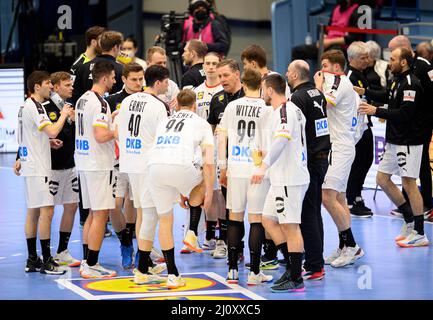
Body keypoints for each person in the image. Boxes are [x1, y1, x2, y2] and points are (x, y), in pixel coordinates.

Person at [358, 47, 429, 247]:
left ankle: (420, 232)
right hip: (394, 139)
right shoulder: (397, 80)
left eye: (393, 59)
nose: (390, 62)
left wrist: (375, 111)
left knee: (409, 183)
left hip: (409, 141)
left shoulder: (411, 84)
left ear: (404, 62)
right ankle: (409, 219)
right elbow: (387, 96)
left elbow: (405, 114)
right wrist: (364, 92)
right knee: (382, 178)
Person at [147, 89, 215, 289]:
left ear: (177, 104)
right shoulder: (201, 122)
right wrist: (208, 192)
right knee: (202, 177)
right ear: (195, 106)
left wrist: (181, 191)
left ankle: (172, 274)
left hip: (154, 169)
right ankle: (192, 231)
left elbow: (167, 152)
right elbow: (209, 162)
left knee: (165, 221)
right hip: (180, 167)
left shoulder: (164, 121)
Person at [251, 73, 309, 293]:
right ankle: (292, 266)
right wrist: (266, 155)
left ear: (269, 89)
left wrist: (263, 165)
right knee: (268, 219)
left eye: (263, 89)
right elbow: (285, 141)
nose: (261, 93)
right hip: (281, 177)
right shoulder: (283, 111)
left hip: (289, 178)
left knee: (290, 226)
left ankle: (296, 277)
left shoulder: (286, 109)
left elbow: (284, 139)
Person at [217, 68, 273, 285]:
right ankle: (254, 272)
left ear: (243, 82)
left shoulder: (231, 106)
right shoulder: (266, 108)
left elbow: (221, 138)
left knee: (235, 217)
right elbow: (269, 143)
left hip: (236, 168)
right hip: (257, 167)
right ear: (260, 84)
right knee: (256, 219)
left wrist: (223, 167)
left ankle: (232, 270)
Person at [115, 65, 170, 285]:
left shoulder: (128, 101)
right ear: (158, 82)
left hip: (130, 162)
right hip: (148, 165)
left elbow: (118, 130)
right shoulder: (159, 106)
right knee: (151, 214)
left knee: (141, 212)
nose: (168, 85)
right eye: (166, 81)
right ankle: (142, 268)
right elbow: (163, 139)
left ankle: (144, 262)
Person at [17, 71, 72, 275]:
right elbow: (52, 130)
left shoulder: (24, 105)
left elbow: (30, 135)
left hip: (29, 163)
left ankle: (32, 259)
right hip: (38, 167)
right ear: (37, 87)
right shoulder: (36, 106)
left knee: (33, 211)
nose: (51, 87)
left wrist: (47, 143)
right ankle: (47, 260)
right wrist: (64, 114)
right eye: (48, 83)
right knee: (46, 212)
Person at [314, 49, 365, 268]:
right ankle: (345, 245)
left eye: (325, 66)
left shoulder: (338, 81)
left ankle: (352, 246)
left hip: (339, 148)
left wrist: (317, 87)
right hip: (342, 145)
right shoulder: (350, 88)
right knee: (340, 199)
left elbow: (326, 102)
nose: (321, 71)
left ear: (336, 67)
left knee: (327, 196)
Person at [287, 60, 330, 281]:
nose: (286, 74)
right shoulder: (317, 93)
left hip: (311, 160)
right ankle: (316, 261)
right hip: (323, 157)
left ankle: (314, 264)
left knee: (307, 213)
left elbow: (297, 133)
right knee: (314, 211)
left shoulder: (297, 98)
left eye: (288, 71)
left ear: (294, 75)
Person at [75, 61, 117, 278]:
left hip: (84, 163)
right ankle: (91, 264)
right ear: (103, 79)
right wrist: (116, 131)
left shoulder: (83, 99)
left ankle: (87, 260)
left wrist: (111, 121)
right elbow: (101, 136)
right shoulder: (101, 104)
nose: (115, 80)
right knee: (101, 215)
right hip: (98, 164)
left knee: (91, 214)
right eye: (112, 77)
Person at [181, 52, 224, 254]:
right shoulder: (196, 92)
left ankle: (219, 236)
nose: (211, 67)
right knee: (201, 190)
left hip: (218, 145)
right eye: (208, 63)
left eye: (215, 64)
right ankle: (206, 235)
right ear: (203, 66)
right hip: (200, 148)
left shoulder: (224, 90)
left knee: (217, 193)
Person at [106, 63, 145, 269]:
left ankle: (138, 248)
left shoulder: (149, 100)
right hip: (117, 161)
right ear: (123, 79)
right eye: (134, 80)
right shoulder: (112, 101)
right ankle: (125, 242)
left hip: (139, 161)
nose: (139, 83)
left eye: (141, 79)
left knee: (136, 205)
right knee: (114, 205)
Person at [208, 59, 245, 259]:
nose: (221, 80)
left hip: (250, 163)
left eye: (225, 76)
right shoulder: (217, 99)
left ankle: (269, 251)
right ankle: (234, 248)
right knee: (230, 207)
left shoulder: (251, 96)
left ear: (237, 74)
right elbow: (211, 131)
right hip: (227, 163)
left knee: (258, 211)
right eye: (219, 76)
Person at [69, 25, 106, 228]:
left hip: (100, 118)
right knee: (87, 168)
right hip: (85, 122)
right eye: (102, 39)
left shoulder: (102, 62)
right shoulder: (79, 65)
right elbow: (70, 96)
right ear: (93, 42)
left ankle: (99, 215)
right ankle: (87, 216)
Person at [345, 42, 374, 218]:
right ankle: (352, 199)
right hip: (356, 126)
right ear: (352, 59)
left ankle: (357, 195)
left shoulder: (362, 74)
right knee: (357, 162)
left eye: (367, 57)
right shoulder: (349, 76)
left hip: (365, 123)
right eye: (363, 58)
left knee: (367, 159)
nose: (367, 60)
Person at [291, 0, 366, 61]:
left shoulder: (358, 11)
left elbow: (352, 38)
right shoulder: (336, 8)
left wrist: (329, 42)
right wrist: (322, 39)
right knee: (297, 51)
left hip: (341, 46)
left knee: (333, 54)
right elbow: (328, 29)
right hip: (327, 42)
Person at [71, 31, 124, 105]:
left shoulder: (83, 67)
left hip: (83, 111)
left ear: (100, 45)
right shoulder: (120, 69)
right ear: (116, 47)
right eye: (120, 47)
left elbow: (74, 95)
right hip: (107, 112)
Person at [145, 46, 180, 112]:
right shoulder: (139, 81)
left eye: (164, 63)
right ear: (148, 63)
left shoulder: (171, 85)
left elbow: (178, 108)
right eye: (159, 63)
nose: (163, 66)